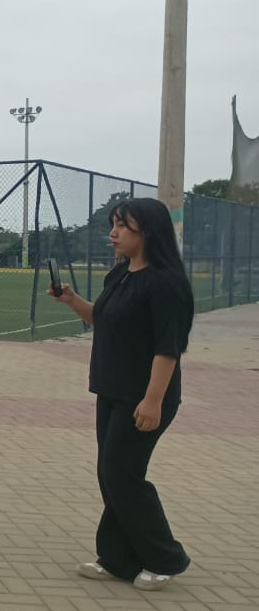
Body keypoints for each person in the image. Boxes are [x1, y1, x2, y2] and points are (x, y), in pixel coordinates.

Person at [49, 197, 193, 590]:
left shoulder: (166, 284)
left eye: (122, 226)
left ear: (147, 232)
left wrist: (153, 401)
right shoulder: (121, 274)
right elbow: (105, 319)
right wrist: (72, 300)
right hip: (112, 390)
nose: (113, 233)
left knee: (122, 474)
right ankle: (118, 559)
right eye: (113, 225)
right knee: (111, 474)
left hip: (144, 396)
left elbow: (168, 348)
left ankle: (166, 558)